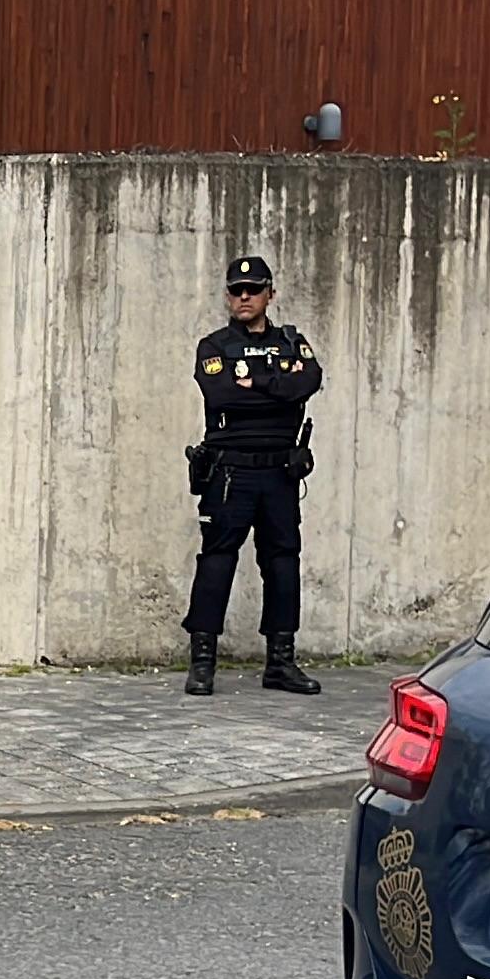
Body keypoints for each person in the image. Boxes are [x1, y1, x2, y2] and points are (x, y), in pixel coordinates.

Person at [183, 255, 323, 697]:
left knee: (283, 564)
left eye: (253, 289)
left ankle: (280, 662)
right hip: (230, 473)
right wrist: (274, 386)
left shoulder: (291, 342)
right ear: (228, 296)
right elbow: (223, 396)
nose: (244, 297)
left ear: (270, 294)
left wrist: (254, 383)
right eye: (236, 290)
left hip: (280, 473)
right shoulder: (214, 346)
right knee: (217, 562)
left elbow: (309, 383)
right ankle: (202, 661)